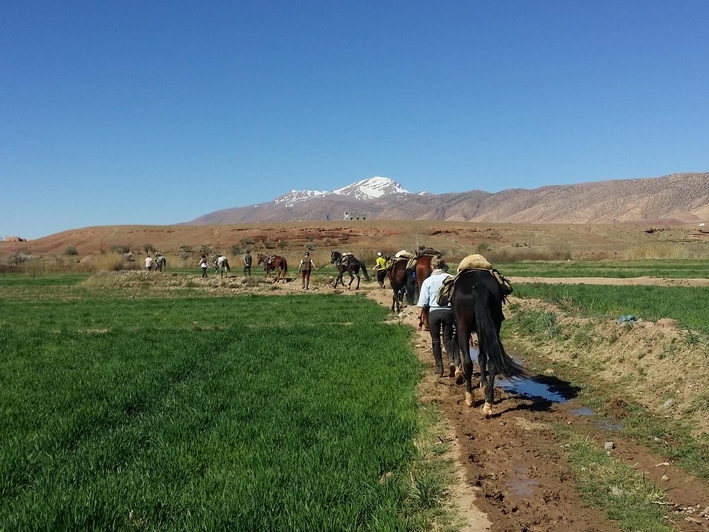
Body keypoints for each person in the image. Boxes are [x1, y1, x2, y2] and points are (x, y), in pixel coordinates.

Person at [416, 256, 460, 377]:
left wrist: (419, 319)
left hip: (434, 313)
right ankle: (452, 361)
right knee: (447, 339)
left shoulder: (428, 281)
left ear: (432, 267)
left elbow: (422, 303)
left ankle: (439, 369)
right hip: (448, 312)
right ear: (443, 265)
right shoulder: (451, 278)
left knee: (436, 341)